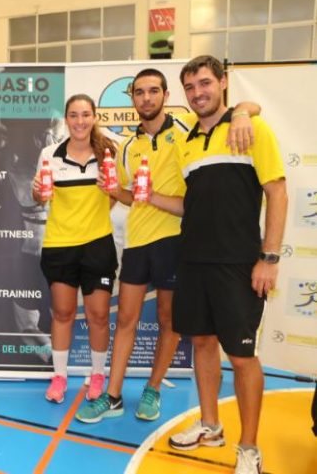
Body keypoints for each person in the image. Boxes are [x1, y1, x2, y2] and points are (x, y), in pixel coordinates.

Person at [75, 69, 261, 424]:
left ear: (164, 94)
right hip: (138, 241)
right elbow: (133, 196)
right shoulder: (129, 146)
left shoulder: (188, 128)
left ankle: (153, 388)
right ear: (133, 98)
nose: (146, 98)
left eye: (153, 91)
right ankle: (112, 395)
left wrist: (240, 112)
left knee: (168, 319)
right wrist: (114, 192)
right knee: (126, 319)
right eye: (140, 93)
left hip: (177, 240)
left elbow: (250, 107)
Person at [167, 55, 287, 474]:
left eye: (204, 83)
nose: (197, 93)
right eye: (190, 87)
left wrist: (268, 258)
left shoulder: (252, 129)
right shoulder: (185, 143)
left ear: (222, 83)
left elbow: (277, 192)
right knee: (201, 343)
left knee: (241, 358)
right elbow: (190, 205)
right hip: (194, 261)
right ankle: (210, 425)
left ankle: (249, 448)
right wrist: (138, 197)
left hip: (238, 265)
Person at [32, 94, 118, 404]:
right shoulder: (49, 154)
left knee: (98, 316)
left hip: (98, 246)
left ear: (94, 117)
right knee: (64, 313)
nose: (80, 121)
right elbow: (39, 194)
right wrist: (37, 193)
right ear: (66, 120)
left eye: (85, 115)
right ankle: (59, 377)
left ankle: (97, 376)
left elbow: (115, 193)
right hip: (60, 245)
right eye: (74, 115)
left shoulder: (109, 153)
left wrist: (93, 219)